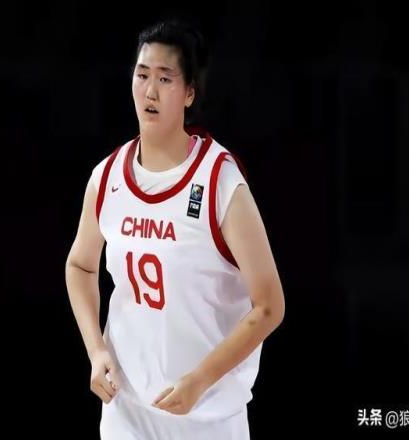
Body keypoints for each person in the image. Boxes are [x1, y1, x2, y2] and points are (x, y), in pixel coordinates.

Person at [65, 18, 285, 440]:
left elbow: (270, 305)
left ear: (189, 93)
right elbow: (80, 266)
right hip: (126, 415)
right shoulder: (107, 177)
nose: (150, 91)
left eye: (165, 78)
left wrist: (201, 379)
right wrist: (95, 349)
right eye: (142, 75)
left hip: (208, 420)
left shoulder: (219, 181)